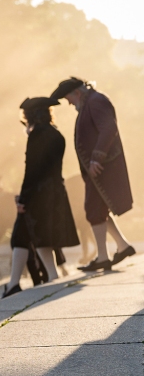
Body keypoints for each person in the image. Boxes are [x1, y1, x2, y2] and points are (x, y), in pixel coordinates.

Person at [50, 77, 135, 271]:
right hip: (97, 170)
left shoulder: (97, 101)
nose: (69, 103)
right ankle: (122, 246)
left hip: (101, 168)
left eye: (68, 98)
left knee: (94, 210)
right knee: (98, 210)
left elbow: (108, 128)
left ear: (77, 93)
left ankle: (103, 257)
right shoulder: (91, 102)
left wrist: (97, 157)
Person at [2, 98, 80, 297]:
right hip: (55, 192)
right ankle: (46, 277)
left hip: (38, 194)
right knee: (39, 236)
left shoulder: (37, 135)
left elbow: (32, 171)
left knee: (21, 235)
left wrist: (23, 199)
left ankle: (14, 284)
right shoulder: (57, 134)